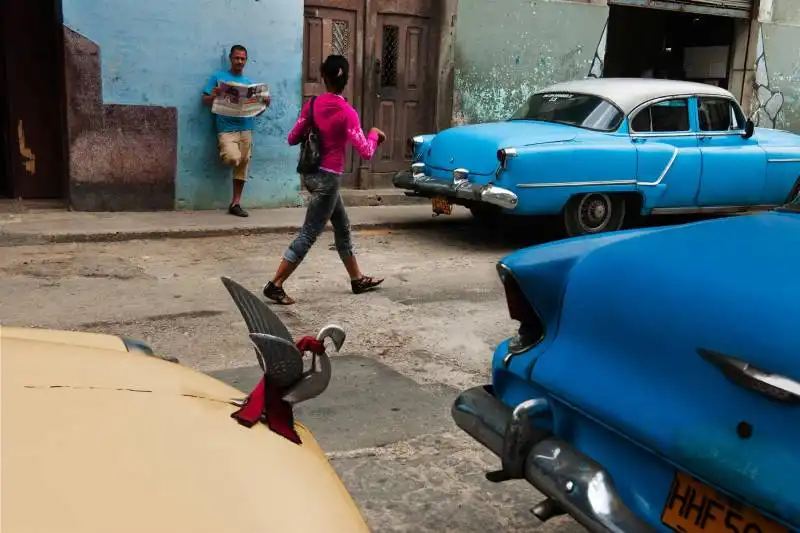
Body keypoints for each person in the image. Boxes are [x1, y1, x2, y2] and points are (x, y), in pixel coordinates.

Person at [262, 54, 385, 305]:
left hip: (310, 175)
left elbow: (292, 138)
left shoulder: (312, 104)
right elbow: (366, 152)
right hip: (328, 180)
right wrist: (373, 134)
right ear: (347, 79)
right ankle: (275, 284)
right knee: (309, 234)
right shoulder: (347, 112)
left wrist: (313, 127)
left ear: (323, 77)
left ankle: (357, 279)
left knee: (342, 225)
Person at [202, 44, 270, 217]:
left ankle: (236, 203)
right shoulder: (218, 78)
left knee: (243, 164)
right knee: (233, 158)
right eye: (236, 58)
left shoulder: (249, 84)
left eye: (242, 58)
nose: (239, 61)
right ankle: (226, 153)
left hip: (246, 127)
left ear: (246, 61)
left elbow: (257, 112)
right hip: (226, 129)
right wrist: (215, 95)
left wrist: (264, 104)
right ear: (230, 59)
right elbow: (204, 100)